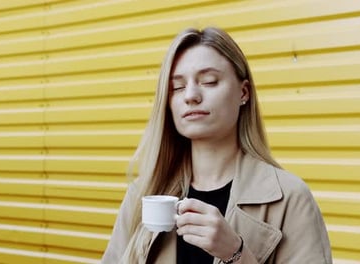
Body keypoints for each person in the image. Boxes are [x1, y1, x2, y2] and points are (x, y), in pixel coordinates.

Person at [101, 27, 332, 264]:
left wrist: (235, 252)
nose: (190, 95)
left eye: (209, 81)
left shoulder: (290, 198)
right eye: (177, 87)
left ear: (243, 92)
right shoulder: (144, 192)